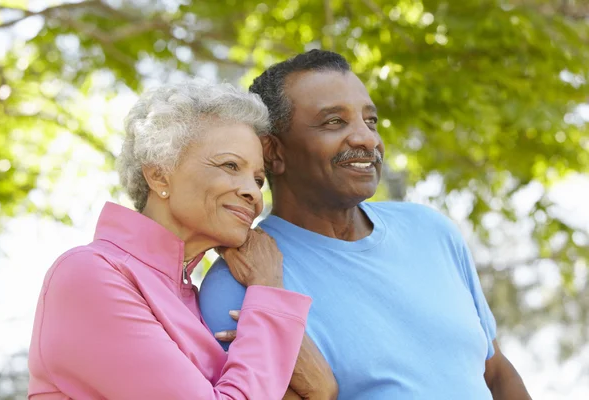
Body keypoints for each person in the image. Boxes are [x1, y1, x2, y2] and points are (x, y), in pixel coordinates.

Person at [199, 50, 533, 399]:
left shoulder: (432, 231)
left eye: (370, 121)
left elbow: (495, 373)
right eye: (334, 122)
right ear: (273, 152)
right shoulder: (239, 284)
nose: (367, 139)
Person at [27, 79, 313, 399]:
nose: (253, 194)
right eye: (230, 165)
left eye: (259, 180)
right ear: (159, 174)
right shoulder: (89, 274)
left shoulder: (193, 296)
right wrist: (268, 290)